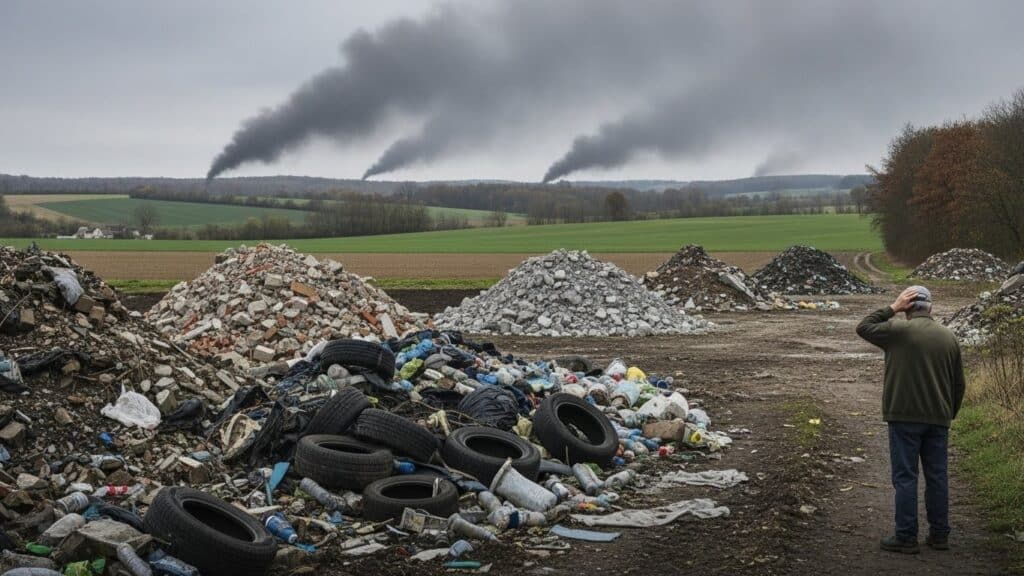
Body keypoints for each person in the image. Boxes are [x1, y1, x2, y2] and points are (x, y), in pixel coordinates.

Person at [856, 285, 966, 554]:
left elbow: (864, 326)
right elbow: (958, 385)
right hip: (938, 419)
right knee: (937, 476)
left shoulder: (897, 332)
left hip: (903, 417)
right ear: (931, 308)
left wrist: (892, 307)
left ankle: (906, 536)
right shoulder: (949, 337)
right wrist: (947, 413)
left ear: (908, 307)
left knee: (906, 476)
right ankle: (939, 535)